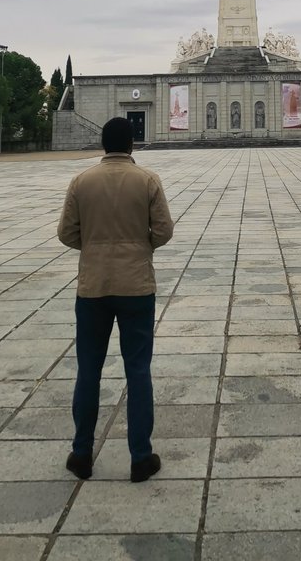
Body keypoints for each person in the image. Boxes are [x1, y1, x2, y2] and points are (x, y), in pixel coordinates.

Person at [58, 116, 174, 482]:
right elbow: (164, 230)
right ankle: (140, 456)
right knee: (138, 370)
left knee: (88, 370)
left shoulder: (82, 181)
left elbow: (65, 233)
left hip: (92, 287)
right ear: (132, 144)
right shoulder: (147, 180)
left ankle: (81, 454)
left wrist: (92, 249)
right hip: (136, 286)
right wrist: (140, 248)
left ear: (103, 144)